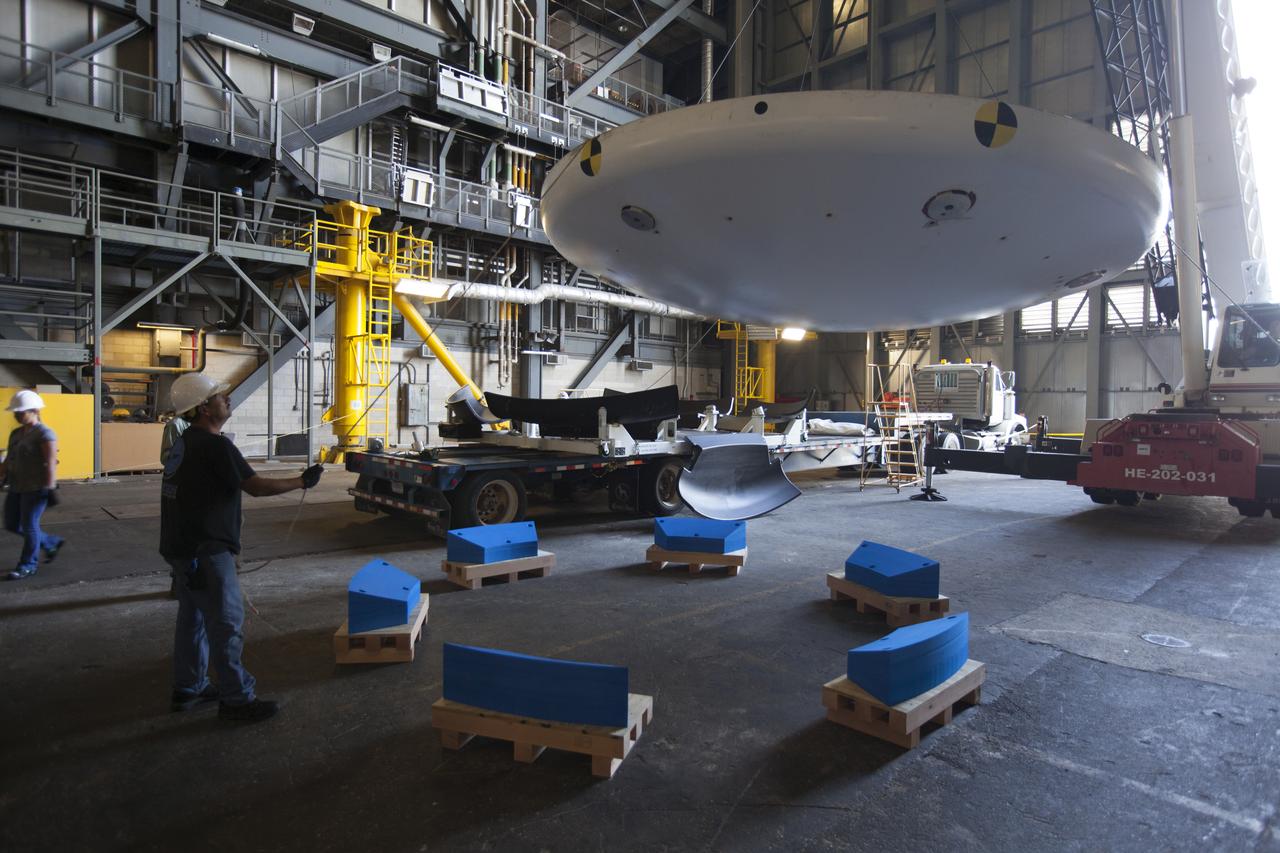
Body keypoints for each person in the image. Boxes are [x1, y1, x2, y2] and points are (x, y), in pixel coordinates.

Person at [162, 372, 323, 723]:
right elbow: (256, 486)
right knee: (227, 624)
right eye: (221, 397)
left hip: (181, 548)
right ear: (204, 409)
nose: (228, 400)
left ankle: (188, 687)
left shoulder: (184, 443)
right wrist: (301, 481)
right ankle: (236, 699)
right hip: (206, 550)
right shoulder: (216, 446)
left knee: (193, 620)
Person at [1, 390, 64, 580]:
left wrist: (49, 487)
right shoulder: (16, 434)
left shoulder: (45, 433)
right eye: (15, 412)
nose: (16, 415)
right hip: (16, 485)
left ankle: (27, 565)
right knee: (12, 524)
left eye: (20, 412)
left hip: (36, 488)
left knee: (29, 526)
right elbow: (8, 460)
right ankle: (50, 542)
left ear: (34, 411)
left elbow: (50, 461)